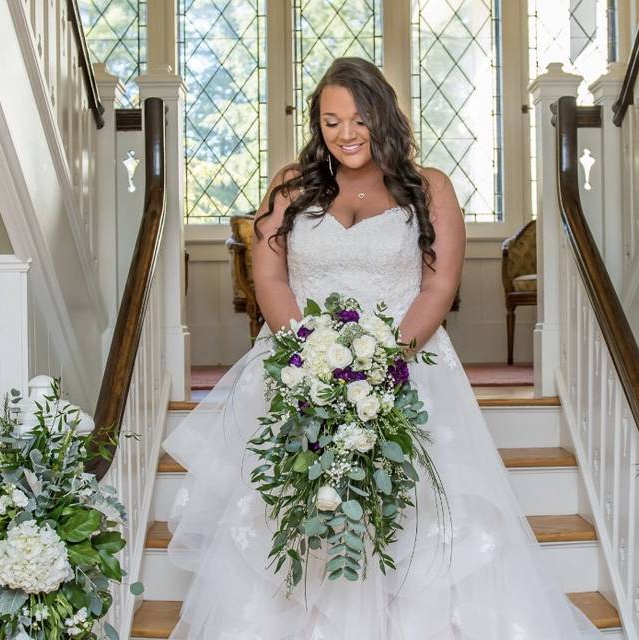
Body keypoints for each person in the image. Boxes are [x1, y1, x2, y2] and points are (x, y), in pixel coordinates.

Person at [162, 57, 604, 639]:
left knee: (410, 523)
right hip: (299, 370)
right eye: (330, 121)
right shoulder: (290, 186)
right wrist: (308, 359)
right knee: (293, 508)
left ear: (384, 116)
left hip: (406, 369)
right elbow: (270, 278)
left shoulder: (429, 188)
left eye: (358, 119)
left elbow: (439, 285)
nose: (345, 134)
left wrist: (381, 364)